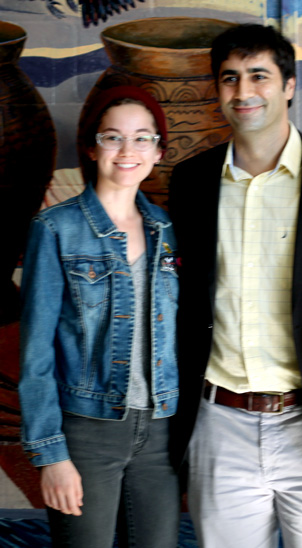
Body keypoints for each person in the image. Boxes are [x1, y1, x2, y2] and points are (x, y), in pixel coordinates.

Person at [168, 23, 302, 548]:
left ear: (289, 85)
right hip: (219, 423)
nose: (243, 91)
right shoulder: (192, 181)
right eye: (229, 78)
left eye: (258, 76)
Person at [18, 85, 180, 548]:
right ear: (92, 148)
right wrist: (51, 455)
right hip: (86, 433)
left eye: (142, 138)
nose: (128, 151)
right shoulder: (55, 228)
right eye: (113, 137)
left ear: (158, 151)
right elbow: (35, 352)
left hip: (160, 434)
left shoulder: (167, 230)